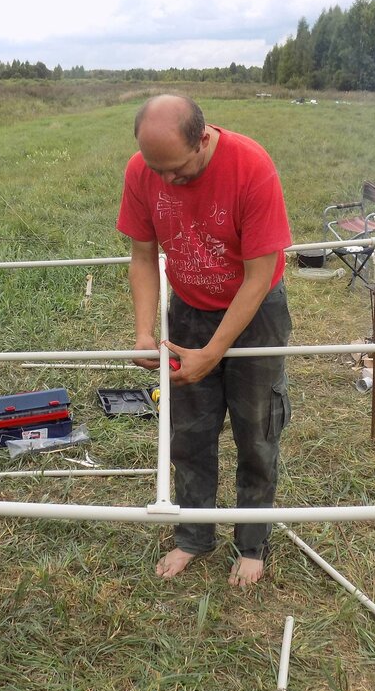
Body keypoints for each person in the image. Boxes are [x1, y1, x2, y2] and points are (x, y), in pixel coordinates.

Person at [116, 94, 293, 588]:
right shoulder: (143, 171)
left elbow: (259, 277)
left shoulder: (250, 166)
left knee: (256, 428)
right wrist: (145, 331)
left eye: (177, 170)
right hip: (189, 311)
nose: (167, 180)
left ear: (202, 139)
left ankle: (252, 542)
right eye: (157, 169)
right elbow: (144, 256)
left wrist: (214, 353)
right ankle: (194, 535)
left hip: (255, 311)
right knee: (190, 431)